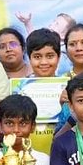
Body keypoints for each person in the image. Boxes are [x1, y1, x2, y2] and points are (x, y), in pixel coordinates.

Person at [24, 28, 62, 156]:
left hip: (62, 153)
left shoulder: (69, 88)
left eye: (50, 56)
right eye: (37, 57)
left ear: (59, 57)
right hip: (29, 155)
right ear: (29, 58)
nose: (44, 62)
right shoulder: (19, 89)